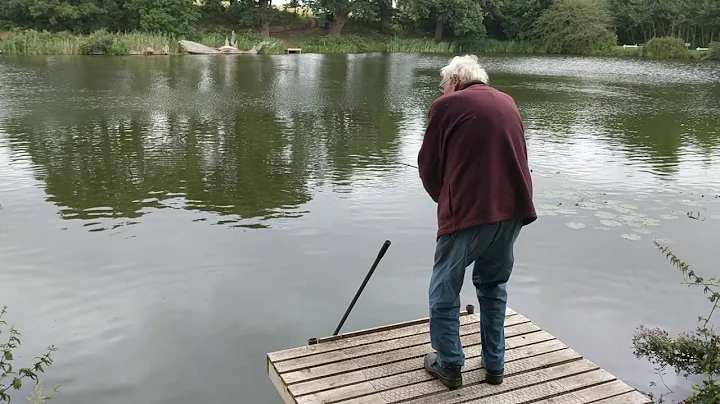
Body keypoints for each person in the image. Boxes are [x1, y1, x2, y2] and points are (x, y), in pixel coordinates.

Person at [417, 54, 537, 390]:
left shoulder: (448, 105)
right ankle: (495, 365)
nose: (442, 94)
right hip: (512, 209)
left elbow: (428, 166)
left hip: (469, 213)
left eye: (443, 87)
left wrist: (445, 199)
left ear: (454, 81)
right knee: (493, 286)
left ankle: (450, 364)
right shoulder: (507, 101)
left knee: (445, 287)